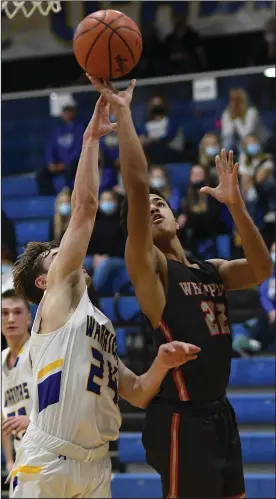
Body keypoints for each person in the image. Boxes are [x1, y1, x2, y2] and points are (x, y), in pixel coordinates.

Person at [89, 76, 273, 499]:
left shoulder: (211, 269)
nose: (153, 206)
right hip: (181, 421)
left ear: (176, 215)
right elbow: (136, 186)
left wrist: (236, 206)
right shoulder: (152, 269)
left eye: (161, 203)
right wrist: (122, 109)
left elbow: (262, 268)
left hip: (219, 413)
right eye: (146, 208)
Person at [9, 94, 199, 499]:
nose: (65, 252)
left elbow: (137, 392)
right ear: (45, 282)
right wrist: (90, 141)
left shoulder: (98, 323)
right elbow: (85, 208)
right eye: (55, 254)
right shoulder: (55, 302)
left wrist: (162, 363)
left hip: (96, 463)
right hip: (48, 461)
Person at [1, 290, 33, 477]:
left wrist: (32, 422)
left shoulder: (39, 351)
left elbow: (63, 403)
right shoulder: (1, 360)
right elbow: (4, 420)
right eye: (4, 313)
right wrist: (10, 461)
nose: (11, 318)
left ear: (29, 317)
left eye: (17, 312)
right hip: (21, 460)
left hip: (50, 456)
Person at [177, 164, 229, 257]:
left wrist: (190, 216)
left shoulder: (213, 194)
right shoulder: (186, 196)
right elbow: (180, 215)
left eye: (199, 174)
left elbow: (214, 216)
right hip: (192, 239)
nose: (196, 177)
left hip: (212, 235)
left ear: (205, 176)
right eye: (193, 174)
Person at [37, 103, 84, 195]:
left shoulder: (80, 128)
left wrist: (66, 163)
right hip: (58, 165)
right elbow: (50, 147)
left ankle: (68, 192)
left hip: (73, 164)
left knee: (72, 170)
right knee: (42, 173)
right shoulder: (57, 130)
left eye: (69, 112)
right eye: (65, 112)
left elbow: (79, 149)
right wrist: (51, 162)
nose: (67, 114)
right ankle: (48, 196)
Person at [88, 189, 126, 294]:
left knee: (105, 264)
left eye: (110, 200)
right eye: (104, 200)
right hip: (96, 257)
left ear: (116, 202)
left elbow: (124, 246)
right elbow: (89, 244)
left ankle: (90, 295)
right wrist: (95, 256)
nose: (106, 203)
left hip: (118, 258)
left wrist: (107, 256)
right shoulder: (95, 221)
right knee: (83, 262)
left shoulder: (123, 222)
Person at [239, 134, 275, 223]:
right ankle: (250, 223)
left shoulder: (267, 158)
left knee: (262, 185)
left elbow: (259, 179)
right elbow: (244, 179)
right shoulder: (244, 160)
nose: (252, 145)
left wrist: (249, 180)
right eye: (248, 143)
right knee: (250, 192)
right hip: (250, 189)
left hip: (265, 190)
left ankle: (271, 210)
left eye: (254, 142)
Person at [221, 88, 270, 152]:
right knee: (227, 142)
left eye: (237, 100)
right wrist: (232, 119)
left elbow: (246, 134)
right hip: (241, 143)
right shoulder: (227, 113)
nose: (235, 103)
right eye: (232, 100)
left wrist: (236, 119)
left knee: (244, 144)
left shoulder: (252, 111)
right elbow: (226, 134)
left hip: (262, 141)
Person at [140, 95, 184, 164]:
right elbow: (144, 137)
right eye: (154, 104)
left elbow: (169, 136)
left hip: (171, 151)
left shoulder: (171, 121)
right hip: (153, 153)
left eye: (159, 104)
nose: (157, 106)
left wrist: (153, 139)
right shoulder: (147, 124)